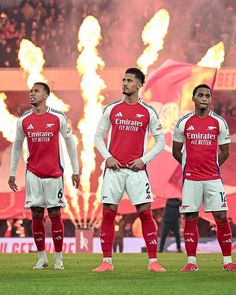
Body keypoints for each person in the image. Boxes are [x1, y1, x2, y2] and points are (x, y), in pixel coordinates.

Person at [93, 68, 166, 272]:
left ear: (139, 85)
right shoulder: (112, 109)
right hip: (114, 171)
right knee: (108, 213)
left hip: (136, 172)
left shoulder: (148, 112)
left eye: (129, 80)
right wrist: (108, 157)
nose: (124, 83)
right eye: (123, 80)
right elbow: (98, 137)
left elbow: (160, 142)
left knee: (145, 213)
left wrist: (144, 160)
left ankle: (153, 262)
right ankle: (106, 262)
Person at [8, 82, 79, 270]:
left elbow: (71, 143)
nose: (31, 94)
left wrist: (76, 170)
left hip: (54, 173)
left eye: (36, 91)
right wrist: (12, 173)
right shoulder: (23, 120)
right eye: (31, 91)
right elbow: (17, 146)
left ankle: (58, 257)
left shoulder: (57, 117)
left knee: (55, 214)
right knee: (36, 214)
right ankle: (41, 257)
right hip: (33, 174)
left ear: (46, 96)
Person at [172, 83, 236, 272]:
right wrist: (188, 166)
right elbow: (176, 151)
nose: (204, 98)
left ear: (210, 99)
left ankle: (227, 261)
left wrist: (213, 166)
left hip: (213, 179)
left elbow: (225, 151)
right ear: (194, 98)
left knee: (221, 217)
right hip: (191, 179)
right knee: (190, 218)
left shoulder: (219, 122)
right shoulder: (184, 122)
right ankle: (191, 261)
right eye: (200, 95)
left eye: (207, 95)